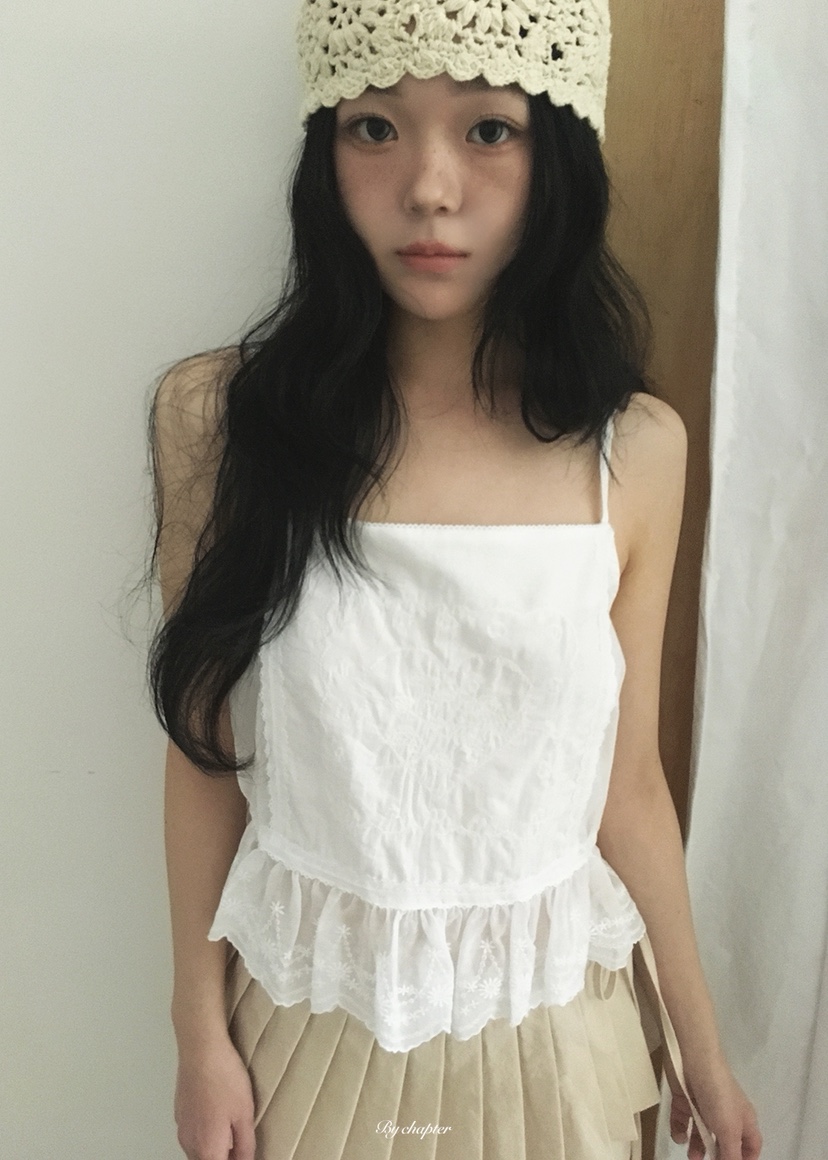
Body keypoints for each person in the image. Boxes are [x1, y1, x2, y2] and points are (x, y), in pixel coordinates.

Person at [147, 1, 762, 1157]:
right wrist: (197, 1029)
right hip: (306, 1020)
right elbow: (201, 751)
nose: (430, 190)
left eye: (489, 131)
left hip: (560, 1028)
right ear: (323, 152)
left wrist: (706, 1053)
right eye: (375, 128)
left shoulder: (635, 450)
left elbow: (627, 785)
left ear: (558, 156)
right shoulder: (222, 422)